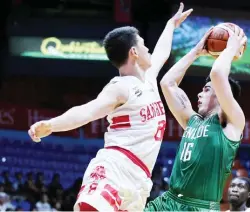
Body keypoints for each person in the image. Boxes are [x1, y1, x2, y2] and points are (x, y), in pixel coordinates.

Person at [28, 3, 193, 211]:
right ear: (134, 52)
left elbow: (161, 52)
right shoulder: (119, 87)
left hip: (140, 180)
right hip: (115, 168)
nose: (147, 48)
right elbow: (86, 111)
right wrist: (52, 125)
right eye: (143, 45)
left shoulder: (149, 79)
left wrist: (171, 25)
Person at [145, 25, 247, 211]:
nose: (199, 94)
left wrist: (231, 48)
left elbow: (217, 74)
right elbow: (167, 83)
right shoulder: (191, 120)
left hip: (199, 207)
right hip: (168, 201)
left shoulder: (232, 122)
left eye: (206, 90)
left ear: (222, 94)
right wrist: (196, 51)